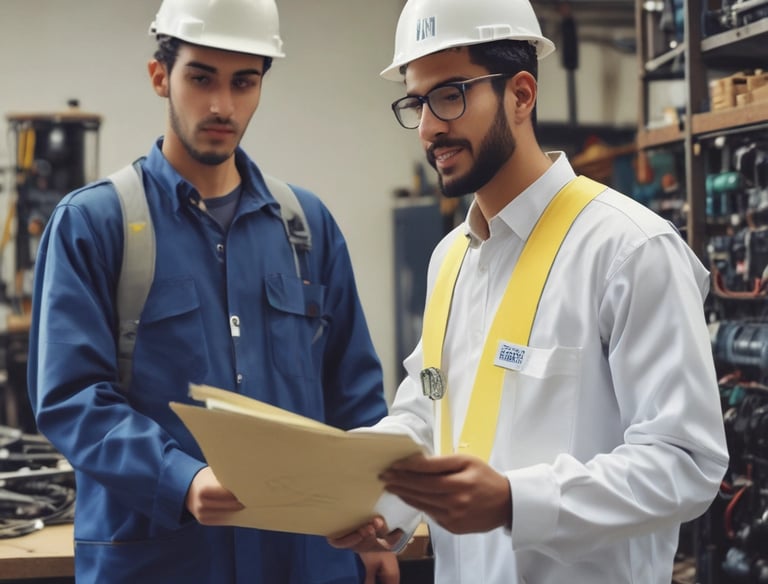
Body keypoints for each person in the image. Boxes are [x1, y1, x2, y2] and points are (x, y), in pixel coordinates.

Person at [329, 0, 730, 582]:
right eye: (417, 102)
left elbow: (686, 463)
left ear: (521, 95)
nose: (429, 127)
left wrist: (517, 501)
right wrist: (373, 501)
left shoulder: (628, 250)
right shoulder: (452, 258)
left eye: (450, 95)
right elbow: (427, 412)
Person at [26, 1, 398, 583]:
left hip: (300, 562)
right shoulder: (95, 223)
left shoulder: (306, 226)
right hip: (160, 561)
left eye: (243, 82)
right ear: (160, 77)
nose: (223, 104)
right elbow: (71, 398)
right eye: (201, 78)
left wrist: (373, 519)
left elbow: (355, 398)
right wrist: (181, 477)